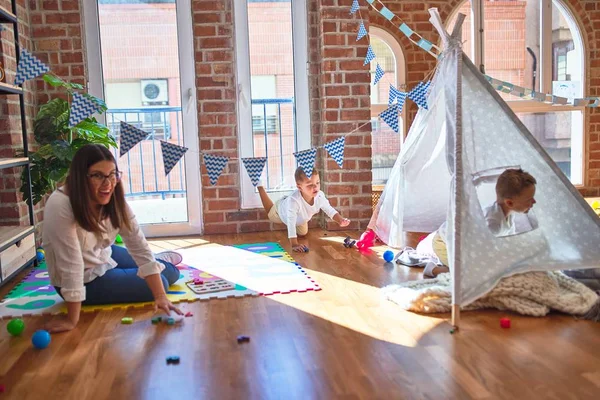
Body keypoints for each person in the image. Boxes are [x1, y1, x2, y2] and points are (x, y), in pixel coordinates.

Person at [42, 144, 184, 333]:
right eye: (98, 175)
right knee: (164, 282)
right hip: (83, 278)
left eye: (112, 174)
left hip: (103, 255)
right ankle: (157, 263)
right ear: (80, 178)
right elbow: (71, 264)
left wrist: (160, 296)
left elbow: (137, 242)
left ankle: (159, 261)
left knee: (171, 273)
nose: (108, 182)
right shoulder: (61, 205)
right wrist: (72, 319)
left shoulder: (113, 198)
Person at [423, 168, 537, 277]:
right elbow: (479, 252)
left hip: (468, 244)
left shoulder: (508, 214)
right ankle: (433, 269)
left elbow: (507, 242)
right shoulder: (492, 224)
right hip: (445, 243)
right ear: (510, 203)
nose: (534, 202)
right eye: (529, 200)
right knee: (473, 273)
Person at [257, 167, 350, 252]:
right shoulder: (294, 201)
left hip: (301, 218)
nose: (315, 187)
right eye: (310, 185)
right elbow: (291, 222)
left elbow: (329, 209)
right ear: (299, 187)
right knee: (271, 215)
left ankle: (286, 201)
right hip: (282, 211)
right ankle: (260, 186)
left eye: (317, 183)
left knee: (303, 233)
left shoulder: (320, 196)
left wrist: (340, 220)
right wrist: (294, 244)